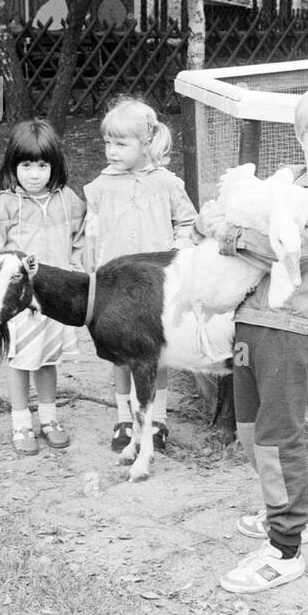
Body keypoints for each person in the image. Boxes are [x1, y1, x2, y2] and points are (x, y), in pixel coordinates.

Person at [201, 82, 308, 594]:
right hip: (251, 321)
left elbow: (299, 250)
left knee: (278, 439)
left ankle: (285, 547)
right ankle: (293, 513)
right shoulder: (288, 180)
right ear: (300, 139)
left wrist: (232, 237)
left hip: (290, 331)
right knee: (250, 432)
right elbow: (241, 208)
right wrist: (218, 217)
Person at [84, 97, 197, 453]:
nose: (112, 151)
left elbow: (189, 222)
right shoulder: (100, 186)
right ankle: (123, 418)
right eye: (108, 143)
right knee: (119, 353)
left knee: (153, 352)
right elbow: (91, 230)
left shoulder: (166, 183)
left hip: (154, 287)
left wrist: (176, 258)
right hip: (116, 287)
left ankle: (156, 419)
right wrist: (91, 263)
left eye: (121, 144)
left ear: (146, 144)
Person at [0, 119, 86, 455]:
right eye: (26, 165)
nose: (34, 174)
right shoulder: (4, 207)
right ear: (13, 165)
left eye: (42, 165)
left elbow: (80, 241)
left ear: (55, 166)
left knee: (49, 360)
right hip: (21, 301)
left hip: (55, 297)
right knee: (21, 360)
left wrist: (77, 273)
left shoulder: (69, 200)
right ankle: (21, 422)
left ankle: (49, 419)